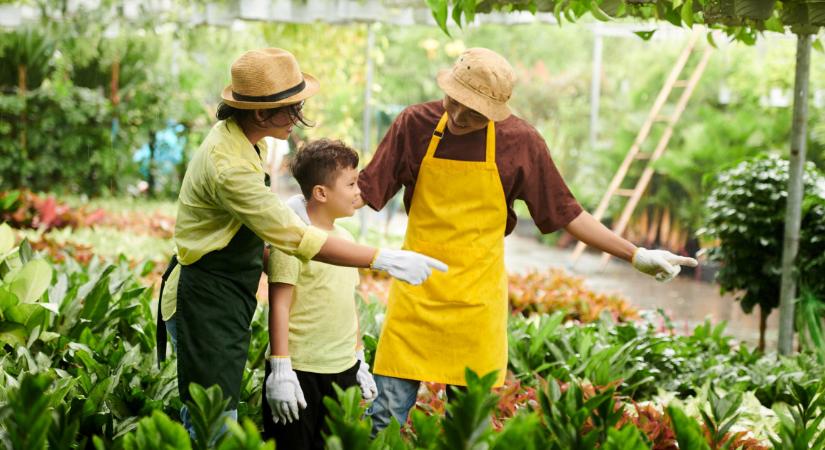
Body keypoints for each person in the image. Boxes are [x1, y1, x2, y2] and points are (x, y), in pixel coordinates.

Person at [353, 47, 698, 433]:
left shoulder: (520, 141)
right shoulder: (414, 125)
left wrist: (635, 255)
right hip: (415, 296)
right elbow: (365, 190)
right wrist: (306, 209)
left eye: (475, 111)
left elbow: (567, 212)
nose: (460, 116)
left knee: (468, 431)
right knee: (383, 419)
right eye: (456, 101)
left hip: (475, 305)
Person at [156, 48, 446, 440]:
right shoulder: (228, 166)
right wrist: (384, 258)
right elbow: (295, 238)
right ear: (261, 113)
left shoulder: (246, 141)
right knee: (212, 418)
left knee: (219, 406)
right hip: (205, 296)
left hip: (228, 292)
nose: (299, 116)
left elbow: (264, 226)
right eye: (292, 108)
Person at [261, 139, 377, 449]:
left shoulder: (346, 239)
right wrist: (281, 367)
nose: (358, 191)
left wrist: (359, 358)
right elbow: (279, 306)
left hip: (342, 369)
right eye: (351, 183)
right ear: (321, 193)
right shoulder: (292, 240)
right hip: (300, 372)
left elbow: (347, 302)